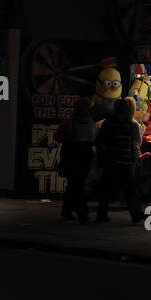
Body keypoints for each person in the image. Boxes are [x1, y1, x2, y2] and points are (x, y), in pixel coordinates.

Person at [94, 97, 144, 223]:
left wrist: (102, 157)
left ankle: (102, 214)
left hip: (112, 160)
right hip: (124, 161)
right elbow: (133, 143)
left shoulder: (109, 123)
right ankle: (136, 213)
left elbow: (100, 141)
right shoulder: (129, 124)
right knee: (129, 190)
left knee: (106, 190)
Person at [56, 95, 95, 223]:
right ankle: (82, 213)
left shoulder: (87, 121)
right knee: (77, 185)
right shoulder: (72, 121)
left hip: (81, 154)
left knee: (74, 185)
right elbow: (58, 136)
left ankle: (67, 211)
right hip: (76, 154)